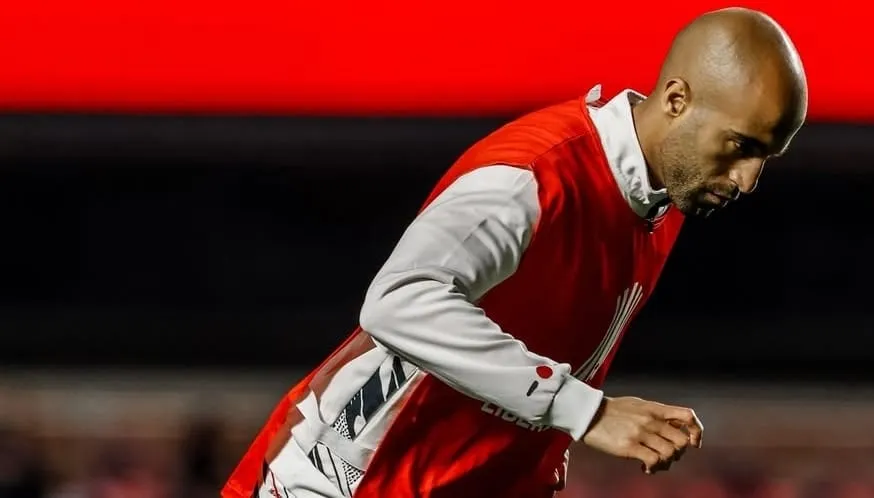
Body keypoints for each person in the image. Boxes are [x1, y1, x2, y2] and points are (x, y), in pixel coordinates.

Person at [224, 7, 807, 498]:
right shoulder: (533, 176)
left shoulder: (664, 197)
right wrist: (587, 410)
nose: (748, 179)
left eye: (766, 157)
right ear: (677, 99)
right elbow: (398, 300)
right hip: (350, 482)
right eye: (741, 146)